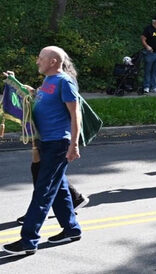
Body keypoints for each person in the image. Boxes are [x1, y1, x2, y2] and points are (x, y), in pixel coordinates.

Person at [3, 46, 82, 256]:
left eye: (41, 58)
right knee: (59, 188)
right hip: (46, 142)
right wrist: (19, 85)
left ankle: (29, 239)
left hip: (58, 143)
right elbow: (40, 99)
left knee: (43, 191)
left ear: (53, 61)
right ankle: (71, 229)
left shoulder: (64, 82)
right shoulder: (48, 82)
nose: (37, 61)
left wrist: (73, 144)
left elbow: (76, 115)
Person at [141, 14, 156, 94]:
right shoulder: (148, 29)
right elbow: (143, 39)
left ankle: (154, 87)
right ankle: (146, 87)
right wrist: (147, 46)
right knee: (148, 70)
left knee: (155, 71)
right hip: (149, 53)